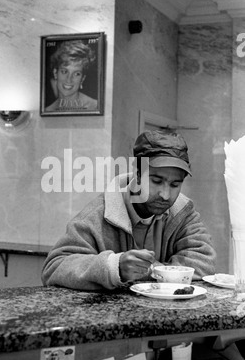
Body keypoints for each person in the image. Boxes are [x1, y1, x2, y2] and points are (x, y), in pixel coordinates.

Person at [42, 129, 216, 291]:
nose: (165, 194)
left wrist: (151, 270)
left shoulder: (183, 213)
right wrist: (114, 267)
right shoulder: (97, 214)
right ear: (137, 174)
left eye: (175, 184)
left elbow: (204, 263)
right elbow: (54, 268)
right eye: (156, 181)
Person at [45, 40, 97, 113]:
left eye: (76, 74)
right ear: (55, 73)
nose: (69, 79)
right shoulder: (48, 110)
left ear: (82, 79)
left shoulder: (95, 107)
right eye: (64, 71)